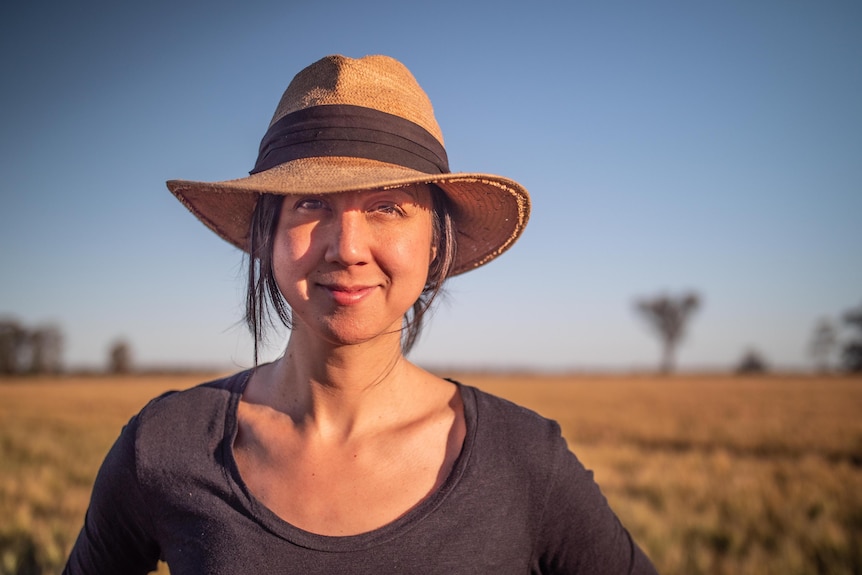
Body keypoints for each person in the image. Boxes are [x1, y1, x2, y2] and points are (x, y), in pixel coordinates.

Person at [64, 54, 657, 574]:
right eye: (311, 203)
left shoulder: (525, 460)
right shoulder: (165, 446)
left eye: (388, 207)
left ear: (435, 241)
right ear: (267, 233)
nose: (346, 247)